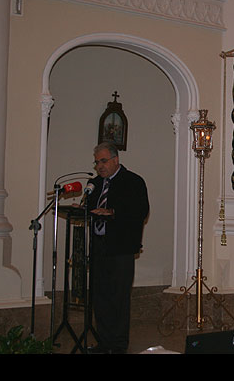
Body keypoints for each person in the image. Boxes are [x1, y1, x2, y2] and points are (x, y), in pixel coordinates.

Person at [86, 141, 149, 354]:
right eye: (97, 163)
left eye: (103, 161)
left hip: (121, 248)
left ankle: (119, 345)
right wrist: (83, 209)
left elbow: (140, 210)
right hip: (99, 248)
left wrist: (112, 212)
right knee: (100, 297)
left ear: (115, 160)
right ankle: (104, 343)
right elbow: (91, 209)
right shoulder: (95, 184)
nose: (99, 166)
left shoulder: (132, 181)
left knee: (118, 298)